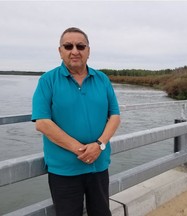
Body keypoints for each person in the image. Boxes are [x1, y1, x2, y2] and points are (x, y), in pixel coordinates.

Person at [32, 27, 121, 216]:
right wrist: (79, 149)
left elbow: (115, 115)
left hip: (98, 164)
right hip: (64, 170)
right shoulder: (47, 80)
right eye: (68, 46)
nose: (74, 51)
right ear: (60, 51)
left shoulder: (102, 79)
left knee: (102, 213)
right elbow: (42, 122)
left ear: (88, 50)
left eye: (80, 46)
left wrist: (99, 145)